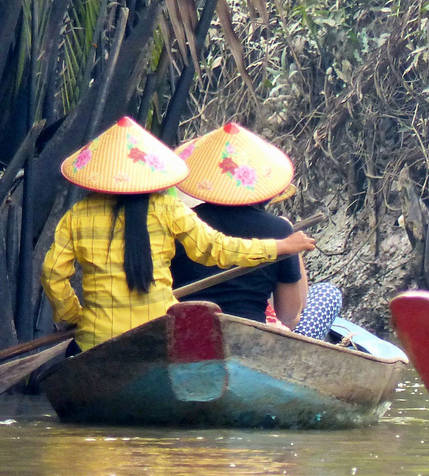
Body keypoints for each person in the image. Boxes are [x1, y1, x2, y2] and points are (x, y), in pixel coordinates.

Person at [41, 118, 316, 351]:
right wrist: (279, 246)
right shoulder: (168, 208)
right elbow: (217, 249)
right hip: (163, 338)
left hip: (96, 341)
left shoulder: (77, 215)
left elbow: (52, 275)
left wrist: (75, 316)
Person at [169, 122, 342, 341]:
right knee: (328, 293)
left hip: (185, 336)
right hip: (250, 339)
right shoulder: (279, 229)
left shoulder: (182, 221)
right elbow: (289, 315)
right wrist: (291, 246)